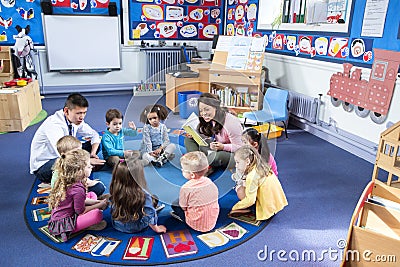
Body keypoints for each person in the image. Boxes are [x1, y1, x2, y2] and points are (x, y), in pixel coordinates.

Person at [30, 93, 105, 183]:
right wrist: (86, 161)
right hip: (45, 165)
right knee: (70, 164)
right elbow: (64, 155)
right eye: (78, 113)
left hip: (67, 154)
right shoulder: (54, 125)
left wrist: (92, 153)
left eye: (84, 113)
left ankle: (82, 169)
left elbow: (94, 135)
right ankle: (82, 170)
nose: (82, 117)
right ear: (66, 111)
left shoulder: (75, 119)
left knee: (95, 145)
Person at [47, 149, 108, 242]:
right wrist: (99, 205)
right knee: (97, 214)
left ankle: (93, 208)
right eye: (88, 166)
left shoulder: (68, 179)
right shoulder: (78, 189)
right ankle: (87, 226)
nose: (91, 167)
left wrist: (96, 202)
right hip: (65, 224)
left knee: (92, 194)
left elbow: (81, 200)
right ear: (78, 171)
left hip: (63, 215)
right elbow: (81, 211)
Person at [184, 93, 243, 172]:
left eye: (207, 109)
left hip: (234, 153)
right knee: (189, 140)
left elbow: (240, 147)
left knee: (218, 157)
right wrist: (194, 135)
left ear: (216, 108)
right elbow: (207, 135)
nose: (203, 113)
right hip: (215, 147)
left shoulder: (231, 123)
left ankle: (199, 164)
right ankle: (200, 162)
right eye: (201, 110)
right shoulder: (210, 119)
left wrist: (223, 147)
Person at [109, 157, 167, 234]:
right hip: (136, 226)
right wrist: (156, 228)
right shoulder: (143, 194)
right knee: (154, 199)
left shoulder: (115, 188)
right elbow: (149, 212)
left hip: (118, 225)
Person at [229, 146, 287, 221]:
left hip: (268, 207)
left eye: (238, 162)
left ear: (247, 161)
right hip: (278, 201)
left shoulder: (251, 176)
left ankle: (249, 209)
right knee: (245, 186)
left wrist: (235, 207)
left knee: (240, 191)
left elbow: (250, 200)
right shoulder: (259, 164)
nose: (236, 165)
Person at [171, 151, 219, 232]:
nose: (182, 171)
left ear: (192, 174)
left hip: (196, 224)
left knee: (175, 203)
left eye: (183, 170)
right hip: (212, 221)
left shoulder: (186, 188)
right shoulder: (210, 182)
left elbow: (183, 207)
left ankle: (184, 219)